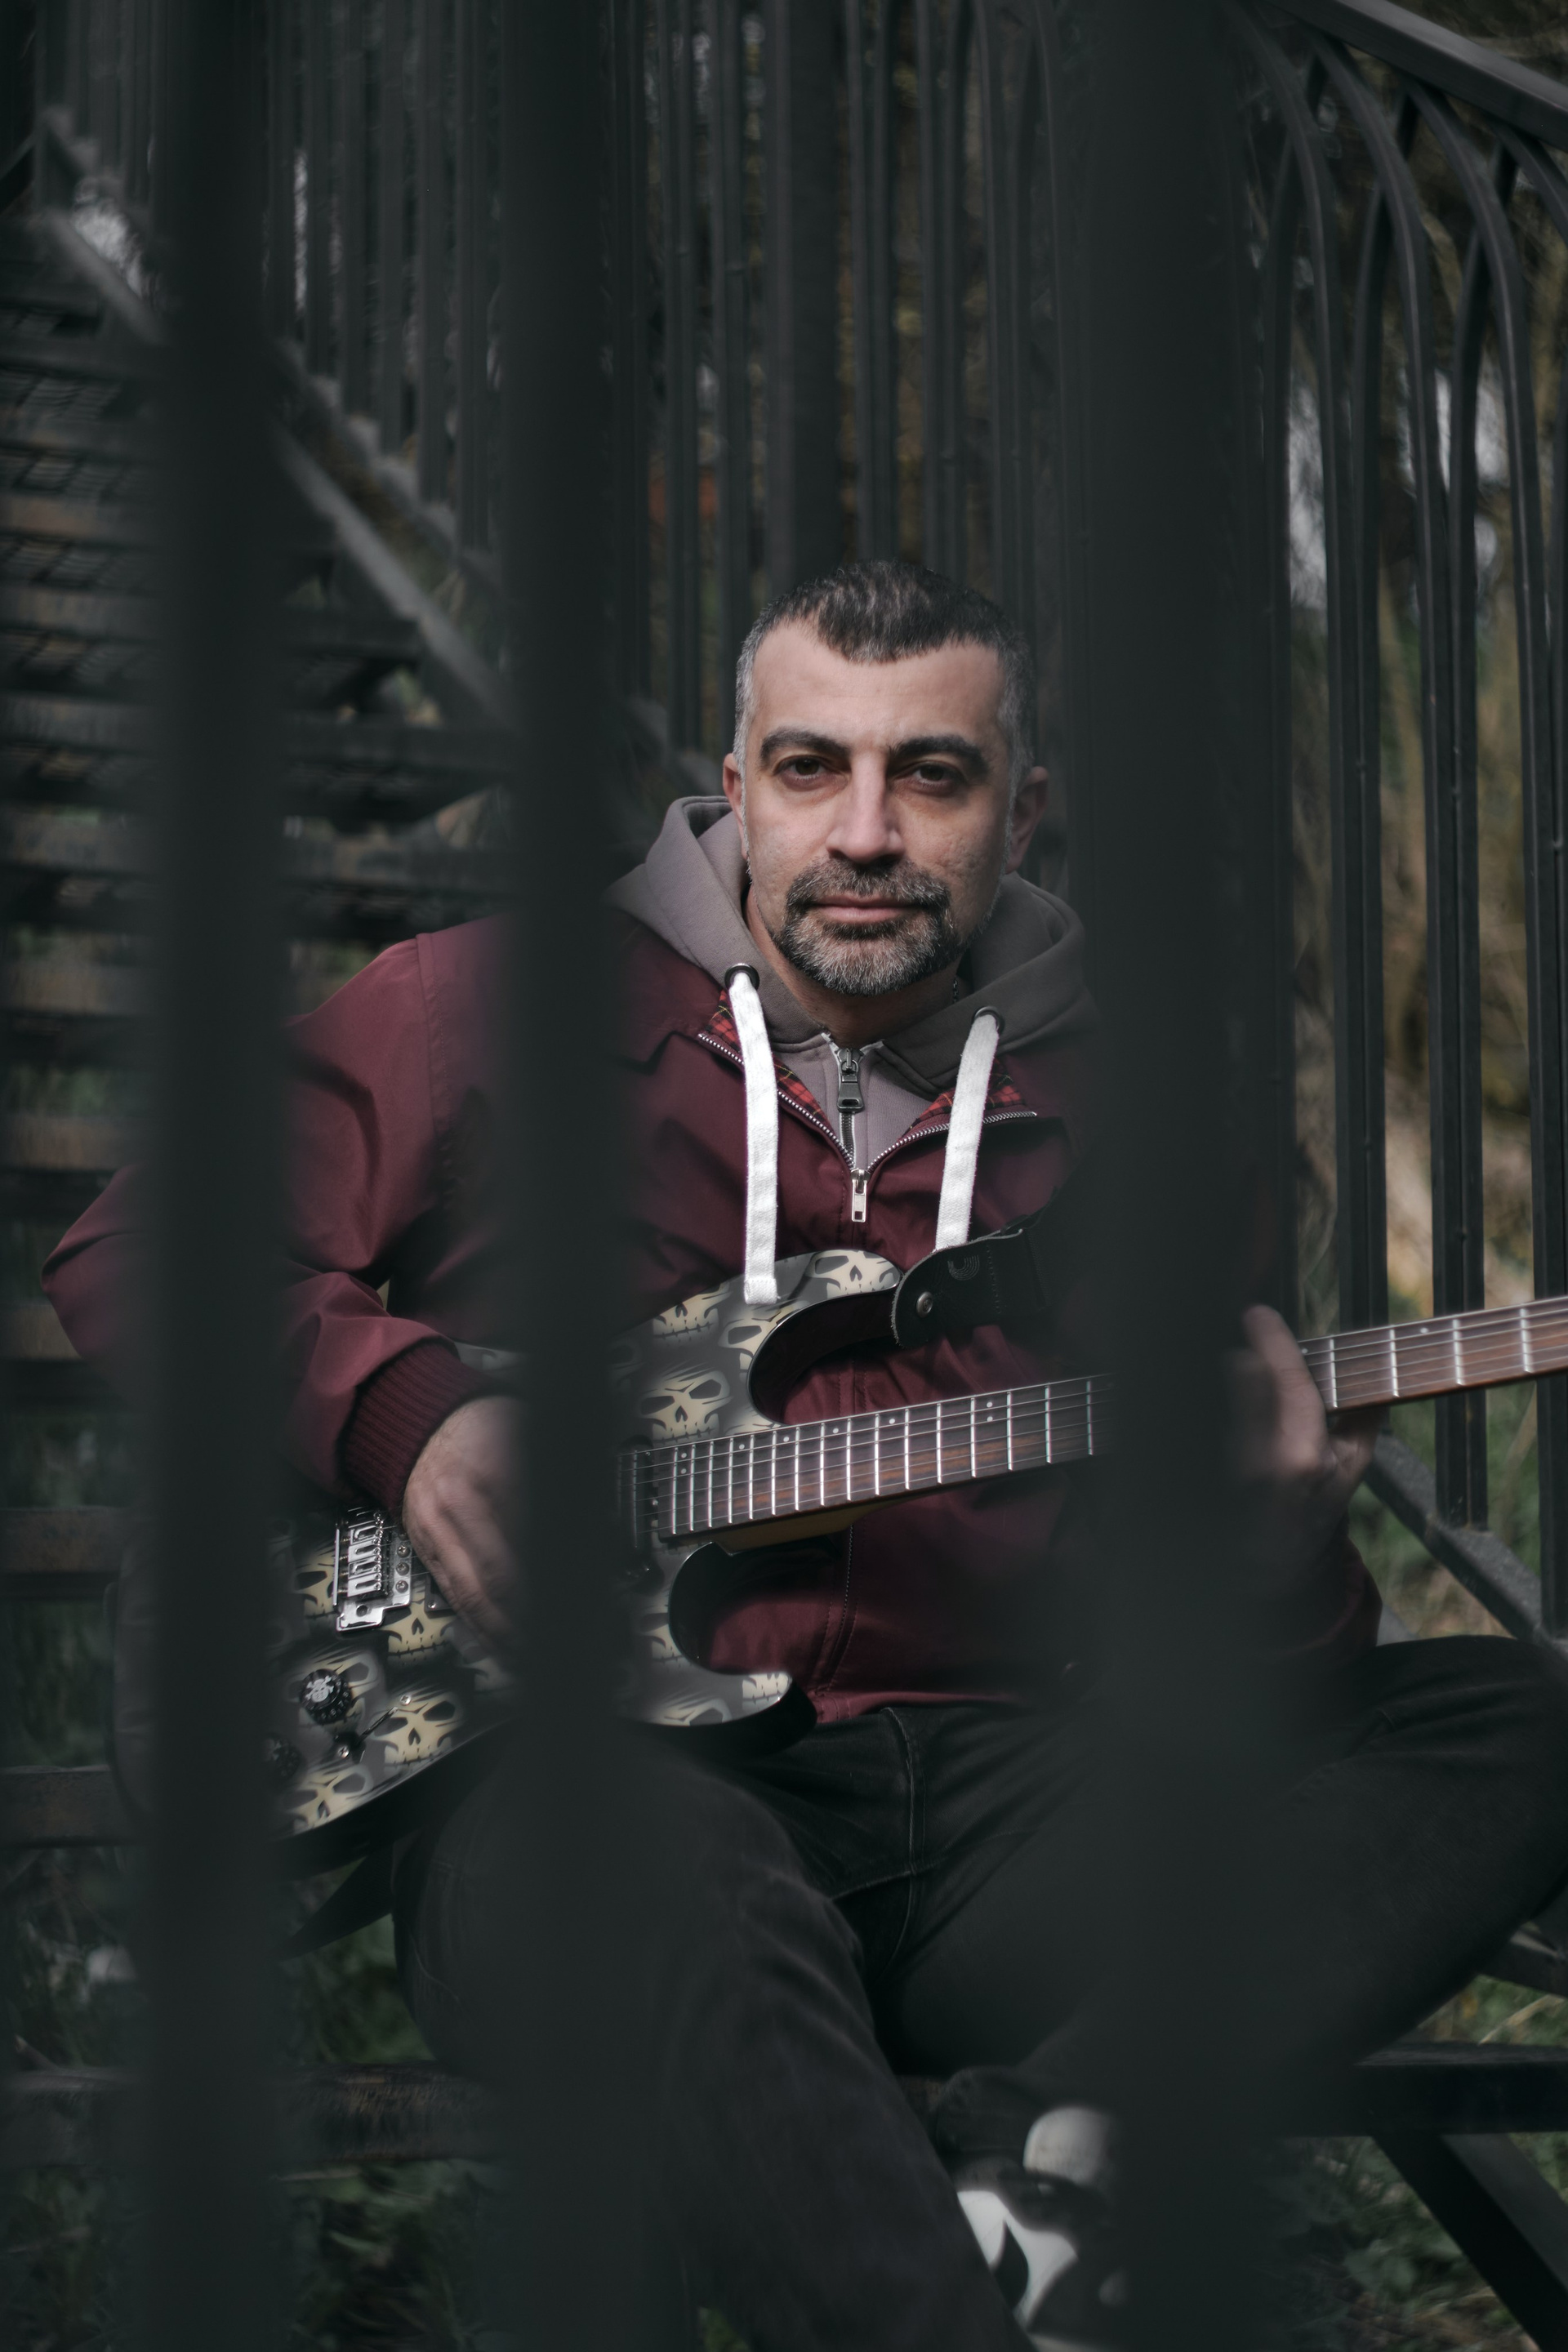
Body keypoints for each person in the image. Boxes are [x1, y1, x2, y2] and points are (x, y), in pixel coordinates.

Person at [45, 561, 1568, 2350]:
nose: (864, 833)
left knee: (1516, 1721)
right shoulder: (486, 1011)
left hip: (1011, 1822)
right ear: (735, 785)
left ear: (1022, 809)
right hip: (589, 1810)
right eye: (809, 767)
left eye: (932, 774)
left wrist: (1265, 1552)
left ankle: (1068, 2153)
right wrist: (416, 1419)